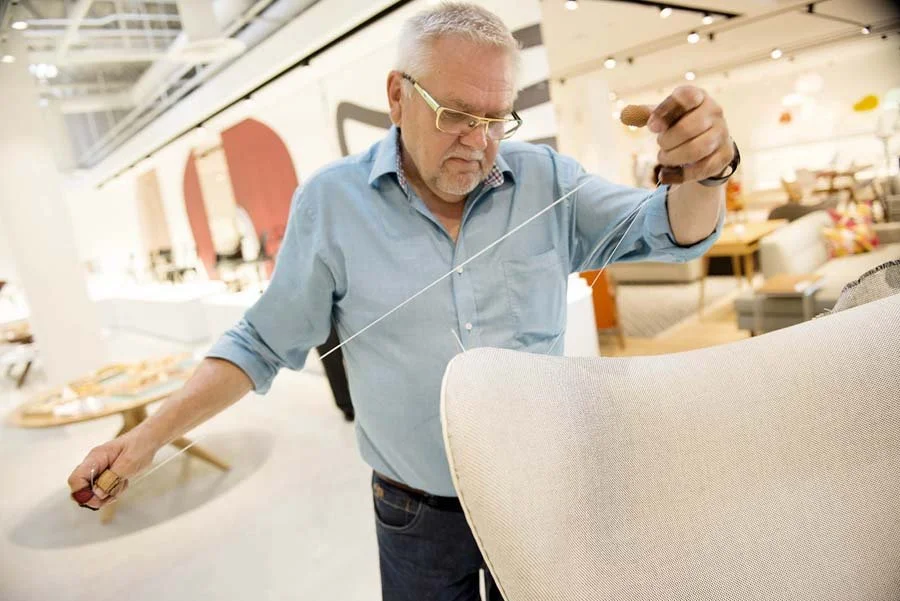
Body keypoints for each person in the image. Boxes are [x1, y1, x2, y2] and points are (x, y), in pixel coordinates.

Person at [68, 3, 737, 599]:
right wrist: (148, 435)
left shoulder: (547, 180)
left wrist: (709, 168)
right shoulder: (332, 204)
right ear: (396, 96)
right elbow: (261, 341)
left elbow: (672, 228)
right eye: (455, 115)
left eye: (496, 118)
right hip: (413, 514)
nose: (478, 142)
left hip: (541, 490)